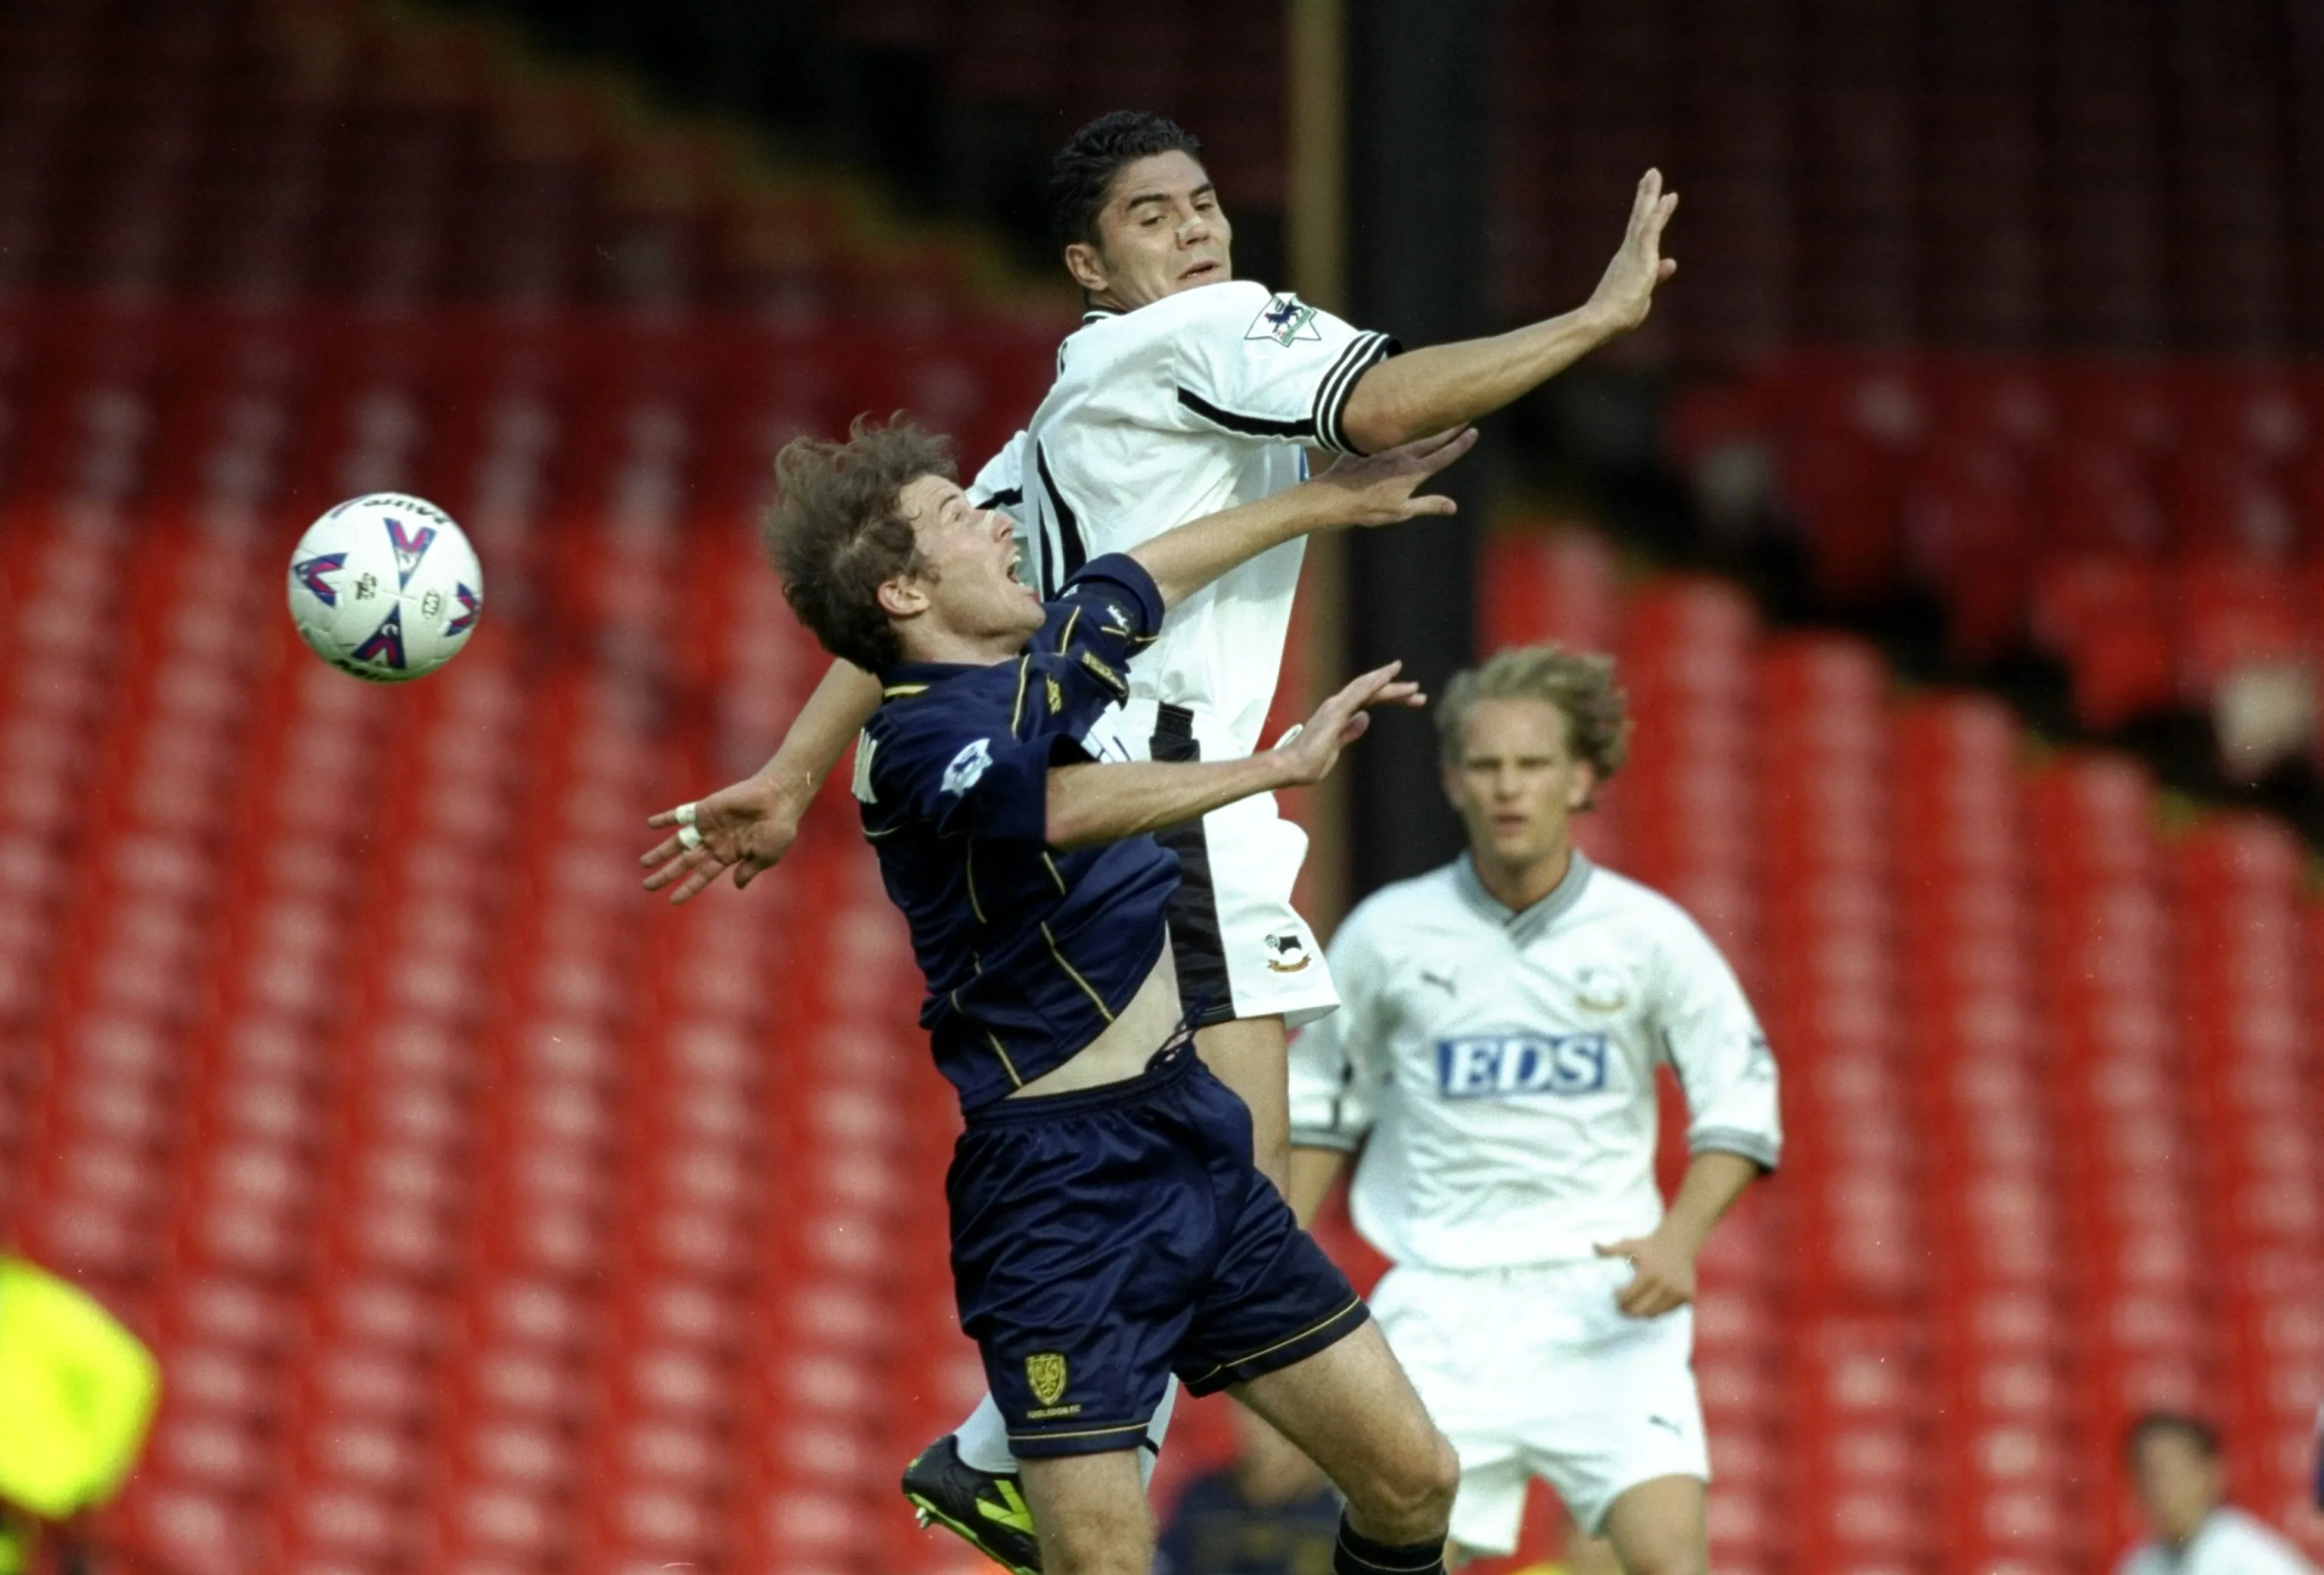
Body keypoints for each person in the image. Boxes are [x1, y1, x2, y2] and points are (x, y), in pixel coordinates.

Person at [639, 110, 1678, 1569]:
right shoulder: (1205, 335)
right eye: (1151, 216)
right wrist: (1593, 318)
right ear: (1090, 265)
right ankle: (1013, 1447)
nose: (1195, 231)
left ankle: (1008, 1447)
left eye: (1202, 202)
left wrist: (790, 768)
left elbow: (917, 601)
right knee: (1215, 1163)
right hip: (1170, 805)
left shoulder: (1068, 410)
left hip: (1185, 801)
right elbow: (1384, 400)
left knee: (1232, 1171)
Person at [660, 414, 1476, 1575]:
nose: (998, 521)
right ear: (901, 592)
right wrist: (1272, 767)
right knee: (1103, 1566)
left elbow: (1138, 571)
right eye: (960, 517)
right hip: (1060, 1192)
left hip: (1190, 1136)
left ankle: (981, 1464)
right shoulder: (914, 741)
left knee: (1415, 1480)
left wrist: (1331, 499)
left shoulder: (1041, 660)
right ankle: (984, 1468)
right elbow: (1056, 806)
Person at [1283, 648, 1782, 1575]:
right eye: (1486, 765)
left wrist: (1679, 1239)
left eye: (1533, 764)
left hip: (1603, 1299)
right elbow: (1318, 1112)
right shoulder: (1388, 934)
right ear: (1453, 781)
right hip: (1438, 1298)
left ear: (1581, 778)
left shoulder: (1648, 936)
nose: (1509, 787)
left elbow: (1741, 1101)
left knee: (1671, 1559)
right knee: (1409, 1559)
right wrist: (1270, 1271)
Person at [2116, 1413, 2319, 1575]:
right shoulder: (2140, 1564)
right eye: (2148, 1473)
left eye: (2172, 1470)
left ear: (2213, 1474)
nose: (2160, 1486)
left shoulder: (2249, 1555)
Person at [1153, 1406, 1342, 1575]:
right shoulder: (1203, 1493)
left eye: (1267, 1418)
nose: (1256, 1427)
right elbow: (1167, 1562)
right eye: (1249, 1412)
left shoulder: (1337, 1508)